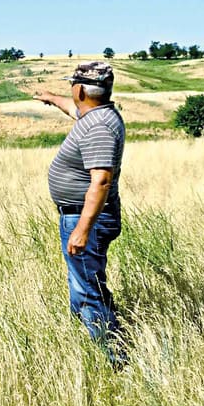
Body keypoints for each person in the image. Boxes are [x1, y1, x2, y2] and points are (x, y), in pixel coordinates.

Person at [33, 61, 127, 367]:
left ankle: (115, 359)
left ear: (81, 90)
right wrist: (50, 98)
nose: (70, 91)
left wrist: (83, 229)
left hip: (86, 219)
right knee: (86, 286)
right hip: (81, 217)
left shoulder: (98, 126)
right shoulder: (95, 115)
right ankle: (106, 342)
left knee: (88, 293)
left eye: (72, 86)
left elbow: (101, 179)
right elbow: (73, 111)